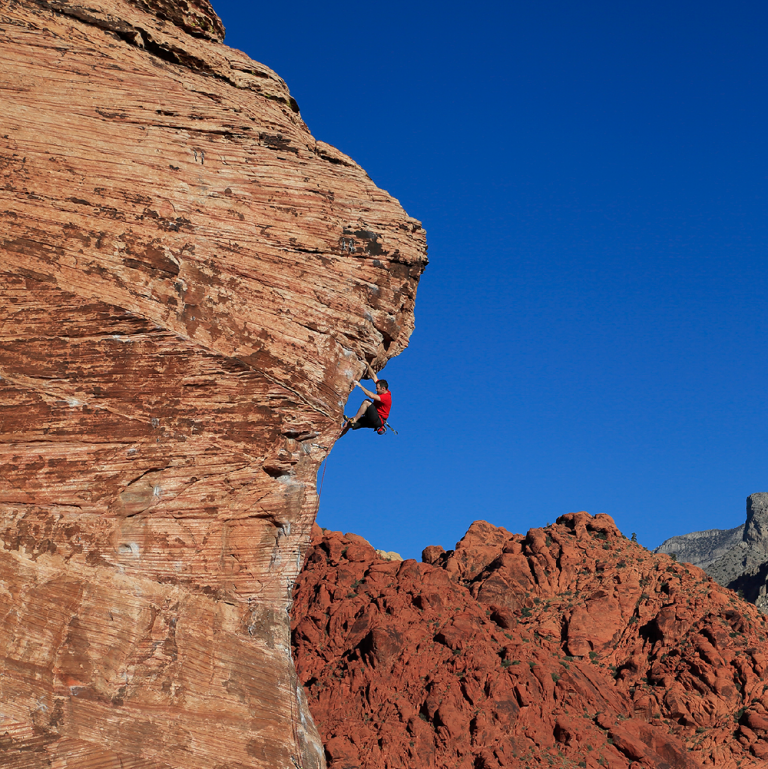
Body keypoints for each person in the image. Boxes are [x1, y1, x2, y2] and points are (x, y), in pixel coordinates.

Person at [341, 362, 391, 436]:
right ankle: (334, 439)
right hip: (371, 418)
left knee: (366, 402)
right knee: (349, 424)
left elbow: (371, 395)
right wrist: (368, 365)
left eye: (377, 389)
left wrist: (360, 386)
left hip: (378, 420)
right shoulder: (382, 389)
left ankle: (354, 419)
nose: (376, 390)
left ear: (383, 389)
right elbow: (374, 377)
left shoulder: (386, 397)